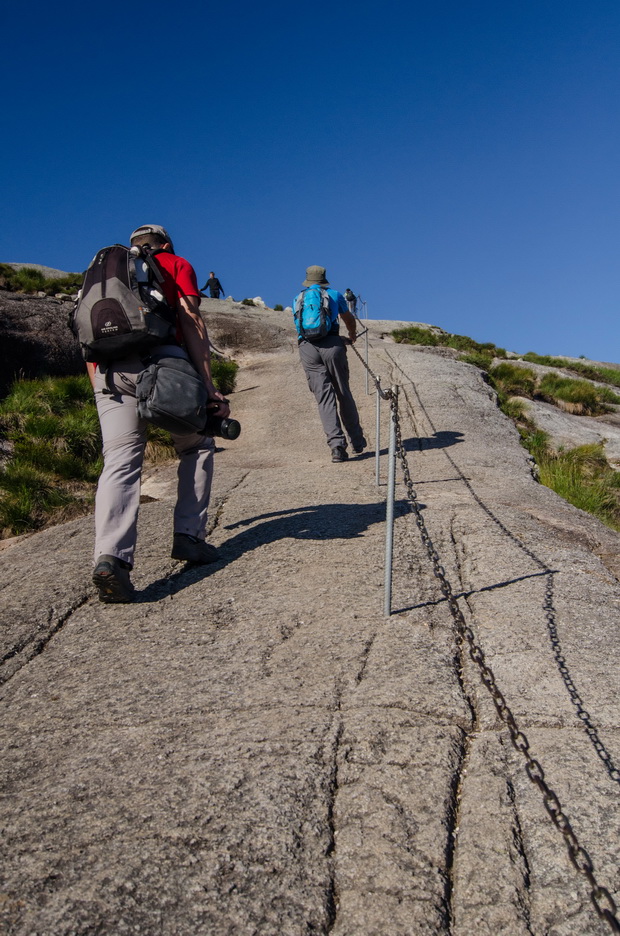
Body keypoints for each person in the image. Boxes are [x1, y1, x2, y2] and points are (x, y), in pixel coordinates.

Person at [87, 224, 230, 603]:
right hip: (166, 368)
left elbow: (86, 338)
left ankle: (111, 558)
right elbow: (190, 320)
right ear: (164, 244)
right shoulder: (175, 263)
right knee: (196, 445)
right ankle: (189, 537)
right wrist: (208, 385)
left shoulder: (102, 272)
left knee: (119, 462)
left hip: (109, 374)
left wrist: (100, 386)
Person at [293, 265, 366, 463]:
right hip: (333, 345)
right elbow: (348, 318)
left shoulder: (298, 298)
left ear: (308, 280)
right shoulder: (334, 294)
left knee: (324, 399)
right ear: (324, 278)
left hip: (307, 348)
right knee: (343, 393)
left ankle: (337, 447)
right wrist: (351, 335)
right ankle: (357, 442)